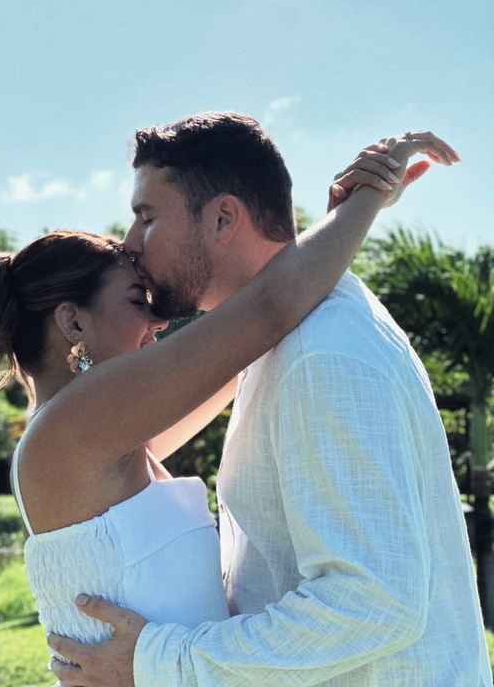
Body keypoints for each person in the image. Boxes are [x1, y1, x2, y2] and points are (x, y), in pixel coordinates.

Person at [47, 114, 490, 687]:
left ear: (223, 218)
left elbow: (375, 600)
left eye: (147, 217)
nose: (130, 244)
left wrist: (159, 661)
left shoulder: (321, 354)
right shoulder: (280, 344)